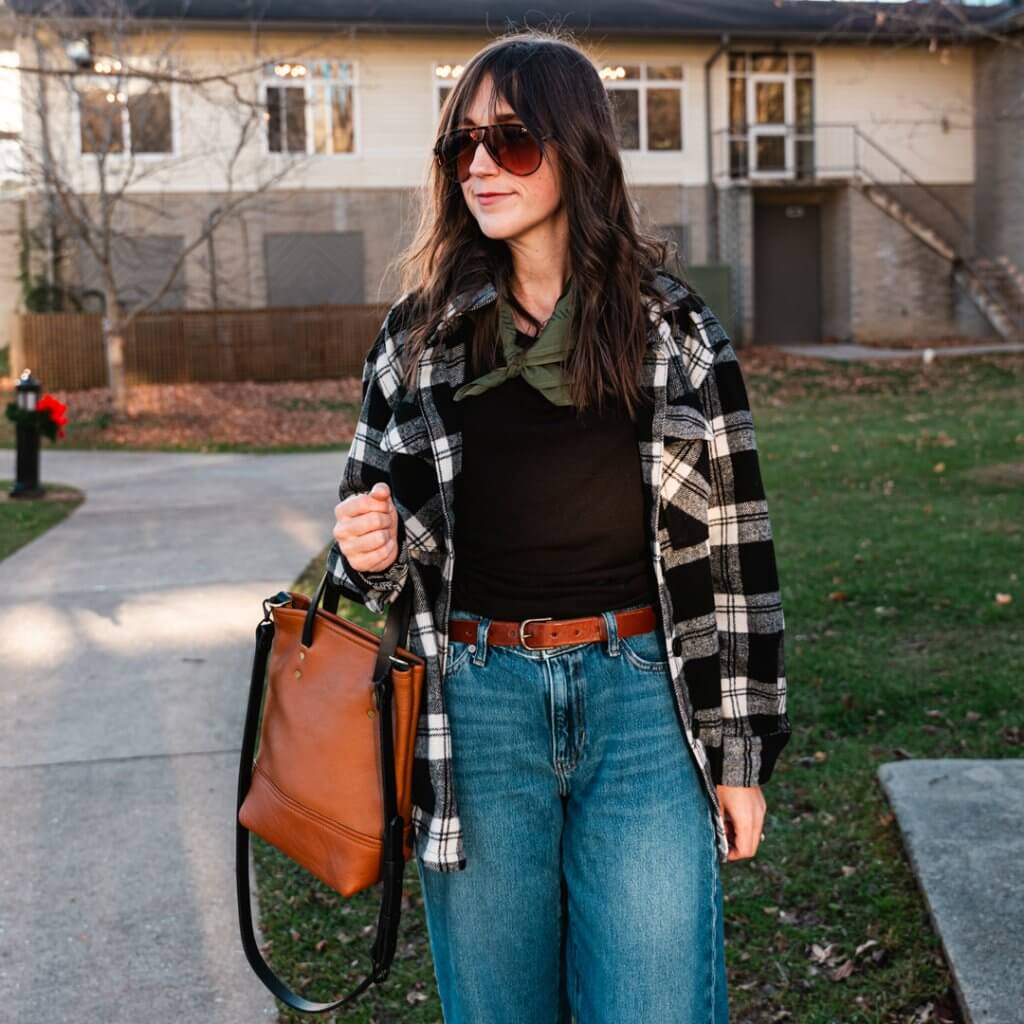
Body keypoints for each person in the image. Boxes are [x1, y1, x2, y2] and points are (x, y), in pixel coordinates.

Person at [329, 28, 791, 1024]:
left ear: (576, 151)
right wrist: (364, 554)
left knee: (656, 1005)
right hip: (477, 707)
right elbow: (366, 546)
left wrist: (741, 757)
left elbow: (737, 548)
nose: (481, 165)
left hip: (643, 707)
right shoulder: (419, 338)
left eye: (513, 141)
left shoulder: (670, 329)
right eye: (464, 144)